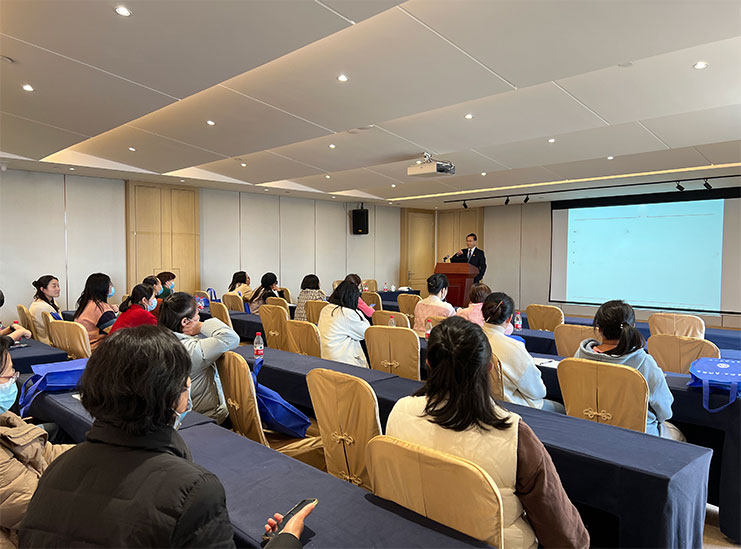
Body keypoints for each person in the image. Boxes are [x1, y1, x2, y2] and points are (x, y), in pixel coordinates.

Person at [386, 317, 589, 549]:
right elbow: (563, 533)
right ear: (489, 368)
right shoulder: (514, 434)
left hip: (415, 534)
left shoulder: (400, 410)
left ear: (428, 363)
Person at [0, 335, 74, 547]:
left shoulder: (6, 419)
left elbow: (43, 451)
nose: (13, 381)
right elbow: (38, 512)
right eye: (9, 376)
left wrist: (93, 453)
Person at [575, 300, 680, 439]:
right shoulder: (645, 362)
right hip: (637, 437)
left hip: (587, 429)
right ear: (633, 326)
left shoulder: (578, 356)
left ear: (599, 328)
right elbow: (665, 412)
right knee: (678, 434)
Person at [159, 293, 239, 424]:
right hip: (210, 415)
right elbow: (231, 338)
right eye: (197, 315)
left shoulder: (159, 341)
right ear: (185, 322)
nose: (199, 318)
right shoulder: (191, 349)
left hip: (178, 414)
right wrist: (201, 326)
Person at [482, 292, 563, 413]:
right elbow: (538, 392)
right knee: (562, 408)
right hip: (511, 407)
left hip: (482, 402)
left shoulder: (472, 337)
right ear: (509, 318)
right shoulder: (513, 347)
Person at [318, 281, 370, 368]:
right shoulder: (346, 313)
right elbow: (366, 332)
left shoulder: (326, 308)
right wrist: (358, 311)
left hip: (326, 356)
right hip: (343, 361)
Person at [73, 273, 118, 350]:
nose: (112, 287)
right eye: (110, 284)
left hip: (82, 348)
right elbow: (117, 332)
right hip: (96, 350)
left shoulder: (86, 303)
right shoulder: (102, 308)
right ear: (103, 288)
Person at [28, 275, 62, 345]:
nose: (58, 289)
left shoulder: (38, 302)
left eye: (58, 286)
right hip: (49, 342)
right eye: (54, 286)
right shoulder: (43, 307)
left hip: (44, 339)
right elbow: (59, 328)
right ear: (43, 289)